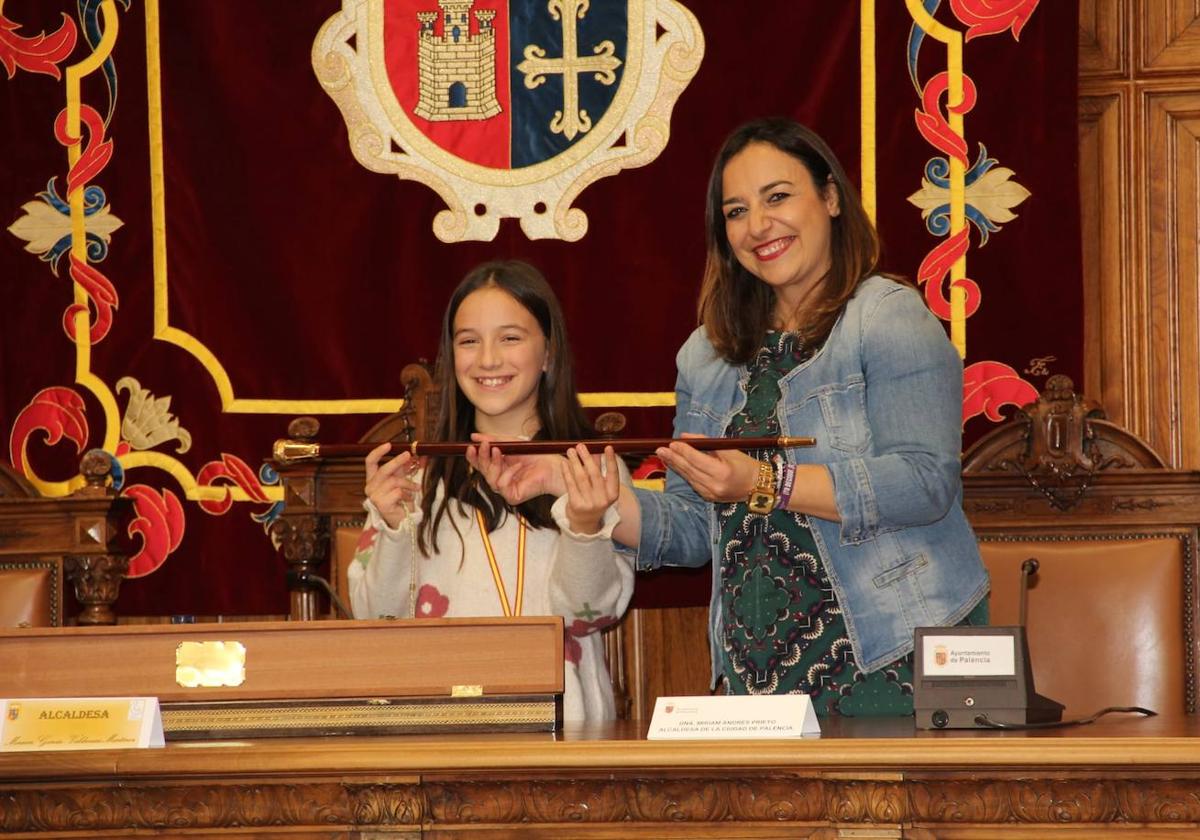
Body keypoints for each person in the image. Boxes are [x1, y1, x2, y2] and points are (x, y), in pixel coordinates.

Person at [483, 118, 988, 715]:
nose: (758, 226)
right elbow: (694, 529)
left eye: (777, 197)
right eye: (736, 211)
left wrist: (766, 482)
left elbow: (925, 483)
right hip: (759, 676)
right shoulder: (707, 355)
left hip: (892, 655)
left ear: (830, 198)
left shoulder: (886, 318)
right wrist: (570, 489)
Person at [348, 260, 635, 722]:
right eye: (468, 341)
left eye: (510, 338)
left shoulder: (592, 471)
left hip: (566, 733)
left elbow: (589, 615)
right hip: (438, 732)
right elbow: (376, 622)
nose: (487, 359)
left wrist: (584, 524)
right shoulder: (413, 478)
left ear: (549, 353)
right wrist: (395, 529)